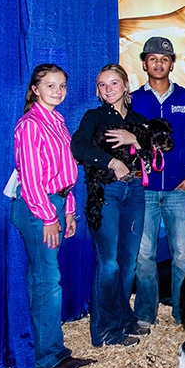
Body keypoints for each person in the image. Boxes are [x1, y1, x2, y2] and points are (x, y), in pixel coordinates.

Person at [10, 64, 96, 368]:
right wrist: (49, 216)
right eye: (50, 85)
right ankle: (49, 357)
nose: (57, 91)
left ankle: (51, 351)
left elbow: (64, 172)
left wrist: (68, 209)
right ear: (35, 89)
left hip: (56, 203)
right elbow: (31, 179)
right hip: (38, 208)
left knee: (46, 279)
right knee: (47, 281)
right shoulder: (31, 124)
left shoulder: (57, 121)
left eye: (61, 85)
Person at [71, 64, 149, 347]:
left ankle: (123, 317)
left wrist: (136, 139)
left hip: (135, 190)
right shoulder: (94, 117)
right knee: (109, 263)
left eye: (113, 83)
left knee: (128, 263)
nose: (108, 89)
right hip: (106, 191)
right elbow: (78, 146)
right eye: (102, 85)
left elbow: (154, 154)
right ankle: (103, 328)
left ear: (125, 85)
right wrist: (111, 161)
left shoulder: (139, 119)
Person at [131, 37, 185, 326]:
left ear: (172, 63)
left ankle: (182, 311)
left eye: (164, 59)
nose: (158, 63)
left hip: (179, 190)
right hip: (145, 191)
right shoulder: (135, 100)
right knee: (145, 255)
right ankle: (145, 314)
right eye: (152, 58)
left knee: (183, 256)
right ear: (144, 63)